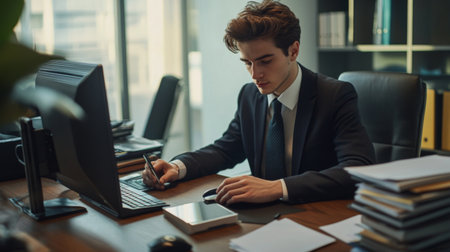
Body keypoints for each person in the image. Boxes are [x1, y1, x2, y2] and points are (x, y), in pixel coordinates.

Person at [142, 0, 375, 205]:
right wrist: (178, 166)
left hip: (313, 213)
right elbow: (226, 149)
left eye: (265, 61)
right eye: (247, 63)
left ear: (293, 51)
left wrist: (278, 187)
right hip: (261, 217)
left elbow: (356, 168)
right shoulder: (249, 95)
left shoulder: (335, 95)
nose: (255, 74)